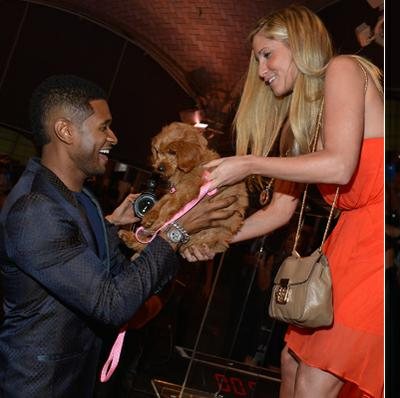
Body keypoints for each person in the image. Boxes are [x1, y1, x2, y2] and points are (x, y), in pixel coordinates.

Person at [181, 6, 383, 397]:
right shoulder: (304, 119)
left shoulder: (342, 69)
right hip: (344, 247)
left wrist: (248, 163)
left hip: (374, 249)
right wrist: (215, 238)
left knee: (313, 379)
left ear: (300, 45)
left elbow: (341, 166)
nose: (261, 70)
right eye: (257, 58)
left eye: (267, 53)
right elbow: (278, 211)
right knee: (291, 364)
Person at [0, 75, 237, 397]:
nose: (113, 136)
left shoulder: (81, 198)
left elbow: (109, 273)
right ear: (65, 131)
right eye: (103, 127)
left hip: (77, 382)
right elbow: (111, 304)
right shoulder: (34, 209)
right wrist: (177, 231)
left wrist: (127, 232)